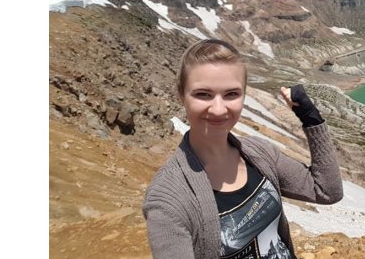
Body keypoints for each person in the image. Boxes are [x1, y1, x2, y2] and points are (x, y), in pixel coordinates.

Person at [143, 38, 344, 259]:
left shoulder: (259, 153)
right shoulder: (169, 199)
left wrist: (311, 118)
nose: (219, 109)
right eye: (203, 94)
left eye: (231, 94)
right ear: (181, 95)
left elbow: (326, 190)